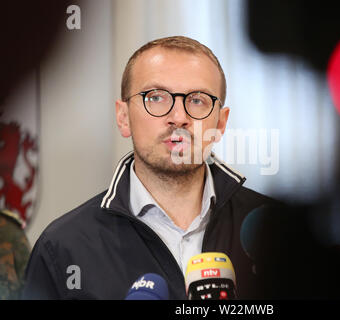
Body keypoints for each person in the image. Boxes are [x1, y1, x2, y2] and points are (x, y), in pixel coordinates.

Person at [22, 36, 273, 299]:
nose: (179, 117)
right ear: (123, 117)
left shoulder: (277, 231)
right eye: (156, 98)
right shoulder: (63, 247)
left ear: (221, 123)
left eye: (197, 100)